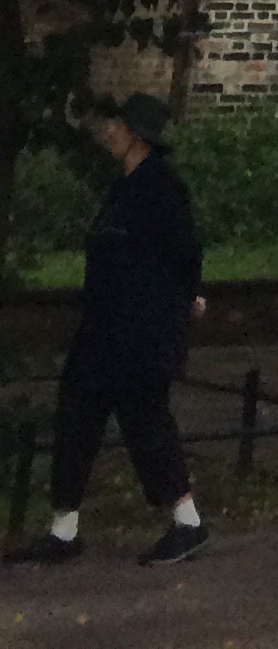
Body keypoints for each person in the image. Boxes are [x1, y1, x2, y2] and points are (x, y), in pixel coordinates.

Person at [4, 94, 207, 568]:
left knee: (145, 421)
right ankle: (64, 530)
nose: (107, 132)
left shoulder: (161, 187)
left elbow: (185, 252)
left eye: (115, 125)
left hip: (142, 331)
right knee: (76, 413)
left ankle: (189, 523)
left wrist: (187, 297)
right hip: (104, 327)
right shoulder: (121, 187)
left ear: (136, 133)